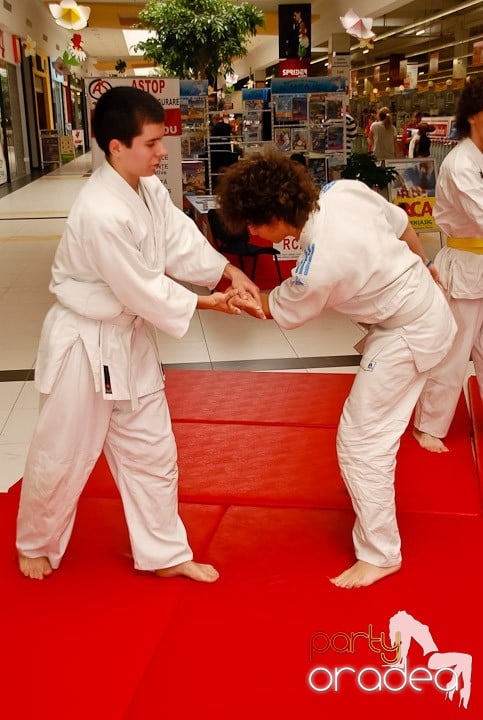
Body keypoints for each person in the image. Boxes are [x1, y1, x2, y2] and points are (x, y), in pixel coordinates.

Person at [16, 86, 264, 581]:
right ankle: (36, 542)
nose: (161, 152)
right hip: (84, 344)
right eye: (151, 143)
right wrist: (205, 301)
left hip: (128, 341)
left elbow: (178, 241)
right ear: (116, 147)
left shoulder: (147, 189)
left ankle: (165, 554)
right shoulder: (99, 211)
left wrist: (224, 274)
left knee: (153, 450)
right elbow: (139, 288)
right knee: (62, 452)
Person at [216, 151, 456, 588]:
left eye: (253, 223)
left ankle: (381, 553)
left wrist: (233, 297)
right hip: (419, 309)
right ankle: (373, 514)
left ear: (275, 216)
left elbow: (272, 307)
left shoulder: (318, 264)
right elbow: (401, 225)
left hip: (409, 333)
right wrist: (423, 265)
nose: (250, 232)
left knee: (361, 441)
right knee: (368, 436)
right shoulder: (342, 191)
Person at [413, 75, 483, 453]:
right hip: (467, 265)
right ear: (475, 116)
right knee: (454, 352)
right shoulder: (460, 165)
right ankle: (428, 426)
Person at [389, 611, 472, 709]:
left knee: (465, 660)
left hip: (431, 656)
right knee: (466, 658)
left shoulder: (414, 625)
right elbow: (404, 645)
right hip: (429, 658)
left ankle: (455, 685)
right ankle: (463, 688)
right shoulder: (407, 626)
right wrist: (399, 661)